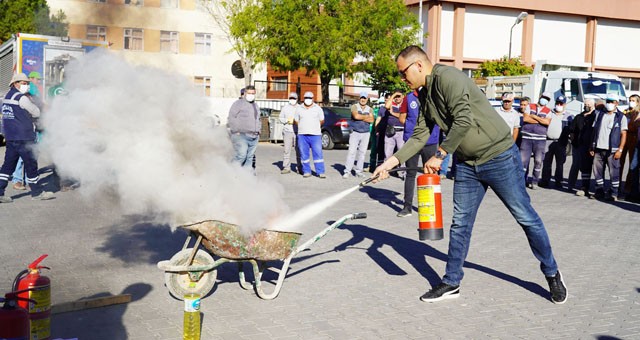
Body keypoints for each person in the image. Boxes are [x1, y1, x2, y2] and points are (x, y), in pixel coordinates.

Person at [372, 46, 566, 304]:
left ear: (418, 65)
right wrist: (390, 163)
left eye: (403, 72)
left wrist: (440, 155)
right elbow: (420, 135)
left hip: (499, 157)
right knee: (461, 224)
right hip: (467, 165)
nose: (402, 79)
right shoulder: (424, 95)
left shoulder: (449, 78)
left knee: (525, 217)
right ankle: (451, 282)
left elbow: (462, 120)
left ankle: (551, 272)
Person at [0, 73, 54, 202]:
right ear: (16, 83)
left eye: (27, 83)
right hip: (24, 137)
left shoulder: (6, 96)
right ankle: (36, 192)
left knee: (7, 166)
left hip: (11, 138)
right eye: (24, 83)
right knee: (31, 164)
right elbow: (36, 112)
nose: (26, 86)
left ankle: (0, 192)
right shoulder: (21, 98)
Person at [396, 89, 439, 217]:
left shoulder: (434, 96)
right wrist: (414, 129)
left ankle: (430, 206)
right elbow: (402, 118)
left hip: (430, 140)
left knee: (430, 174)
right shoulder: (408, 98)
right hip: (412, 141)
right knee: (410, 174)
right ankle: (407, 207)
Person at [590, 93, 627, 201]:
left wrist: (620, 149)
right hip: (598, 148)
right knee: (597, 171)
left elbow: (624, 134)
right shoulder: (599, 114)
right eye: (608, 101)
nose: (609, 104)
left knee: (614, 172)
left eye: (612, 101)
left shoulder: (621, 117)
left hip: (613, 150)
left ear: (617, 103)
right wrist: (592, 147)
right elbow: (594, 131)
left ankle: (613, 193)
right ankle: (599, 191)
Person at [520, 92, 553, 189]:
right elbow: (526, 119)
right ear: (540, 97)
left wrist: (534, 116)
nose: (544, 99)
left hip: (540, 140)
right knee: (523, 161)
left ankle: (534, 182)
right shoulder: (530, 106)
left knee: (538, 161)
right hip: (527, 138)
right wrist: (540, 120)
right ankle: (521, 181)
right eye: (544, 97)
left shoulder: (548, 111)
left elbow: (547, 122)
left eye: (547, 98)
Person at [540, 95, 572, 189]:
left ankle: (559, 181)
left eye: (561, 103)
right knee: (546, 162)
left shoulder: (569, 116)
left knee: (560, 163)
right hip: (548, 141)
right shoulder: (549, 113)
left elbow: (572, 129)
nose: (559, 105)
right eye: (557, 103)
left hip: (561, 142)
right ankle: (545, 180)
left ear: (565, 104)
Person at [567, 98, 597, 196]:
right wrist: (573, 141)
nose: (586, 106)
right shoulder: (579, 117)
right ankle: (572, 185)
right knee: (577, 165)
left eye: (588, 104)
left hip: (592, 146)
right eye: (585, 104)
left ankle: (593, 188)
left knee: (592, 167)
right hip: (579, 146)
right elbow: (572, 130)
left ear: (593, 105)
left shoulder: (596, 116)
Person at [227, 85, 260, 170]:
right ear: (245, 93)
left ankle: (245, 178)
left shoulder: (255, 105)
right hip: (241, 135)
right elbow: (231, 117)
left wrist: (258, 131)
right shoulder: (238, 104)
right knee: (241, 156)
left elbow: (258, 119)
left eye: (253, 93)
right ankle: (229, 173)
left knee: (249, 158)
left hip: (254, 136)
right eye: (249, 93)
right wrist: (235, 130)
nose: (251, 95)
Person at [343, 92, 374, 178]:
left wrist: (362, 117)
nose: (363, 100)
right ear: (359, 98)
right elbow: (356, 116)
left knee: (362, 153)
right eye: (361, 98)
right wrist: (366, 117)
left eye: (364, 98)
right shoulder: (354, 106)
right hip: (355, 132)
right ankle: (347, 171)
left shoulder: (370, 109)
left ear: (367, 99)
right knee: (351, 152)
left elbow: (371, 120)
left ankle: (359, 171)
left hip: (365, 133)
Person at [295, 91, 325, 178]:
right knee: (304, 154)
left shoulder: (318, 108)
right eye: (306, 98)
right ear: (303, 99)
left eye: (309, 98)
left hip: (315, 135)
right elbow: (296, 121)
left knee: (318, 153)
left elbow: (322, 120)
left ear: (313, 99)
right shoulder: (299, 108)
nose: (308, 100)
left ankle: (320, 172)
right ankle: (306, 171)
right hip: (302, 135)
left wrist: (314, 126)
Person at [623, 95, 640, 202]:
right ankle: (632, 192)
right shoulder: (627, 112)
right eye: (630, 100)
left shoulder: (637, 113)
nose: (631, 102)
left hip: (636, 141)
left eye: (633, 101)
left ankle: (632, 190)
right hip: (629, 140)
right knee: (632, 167)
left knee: (633, 167)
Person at [279, 92, 299, 174]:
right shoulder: (285, 108)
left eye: (294, 98)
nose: (292, 100)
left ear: (297, 99)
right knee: (287, 150)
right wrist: (287, 120)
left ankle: (300, 167)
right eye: (291, 98)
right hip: (287, 131)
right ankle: (286, 167)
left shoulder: (300, 108)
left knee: (299, 150)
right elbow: (280, 118)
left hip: (298, 131)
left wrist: (297, 122)